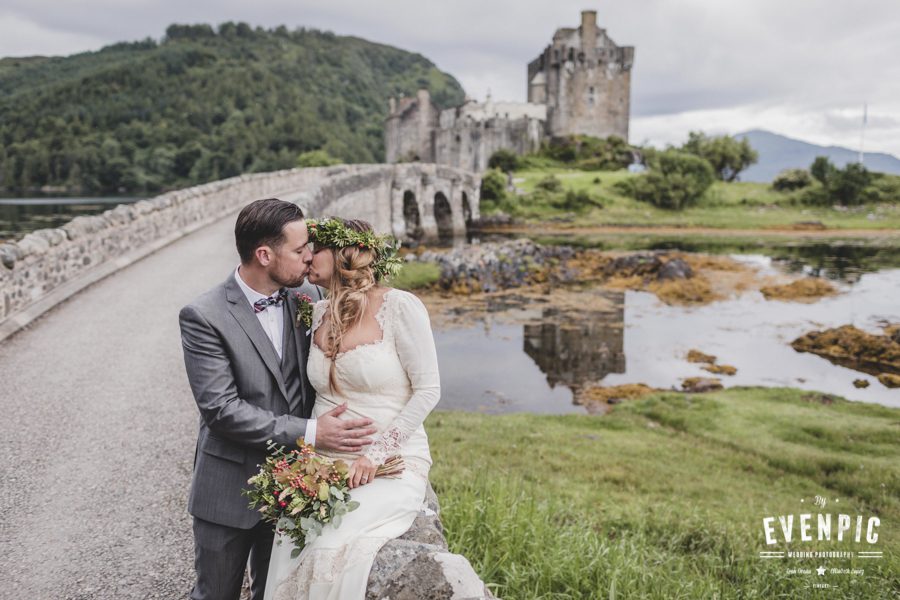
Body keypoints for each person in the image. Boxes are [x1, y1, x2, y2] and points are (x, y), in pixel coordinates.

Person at [179, 199, 377, 600]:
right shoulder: (203, 316)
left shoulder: (306, 298)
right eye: (301, 249)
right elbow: (222, 411)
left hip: (298, 489)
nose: (310, 257)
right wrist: (313, 432)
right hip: (228, 490)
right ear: (264, 254)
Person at [265, 218, 440, 600]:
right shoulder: (316, 311)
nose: (306, 257)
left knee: (331, 541)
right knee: (292, 532)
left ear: (344, 251)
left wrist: (375, 455)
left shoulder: (399, 306)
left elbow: (428, 390)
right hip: (323, 463)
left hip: (388, 462)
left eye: (314, 248)